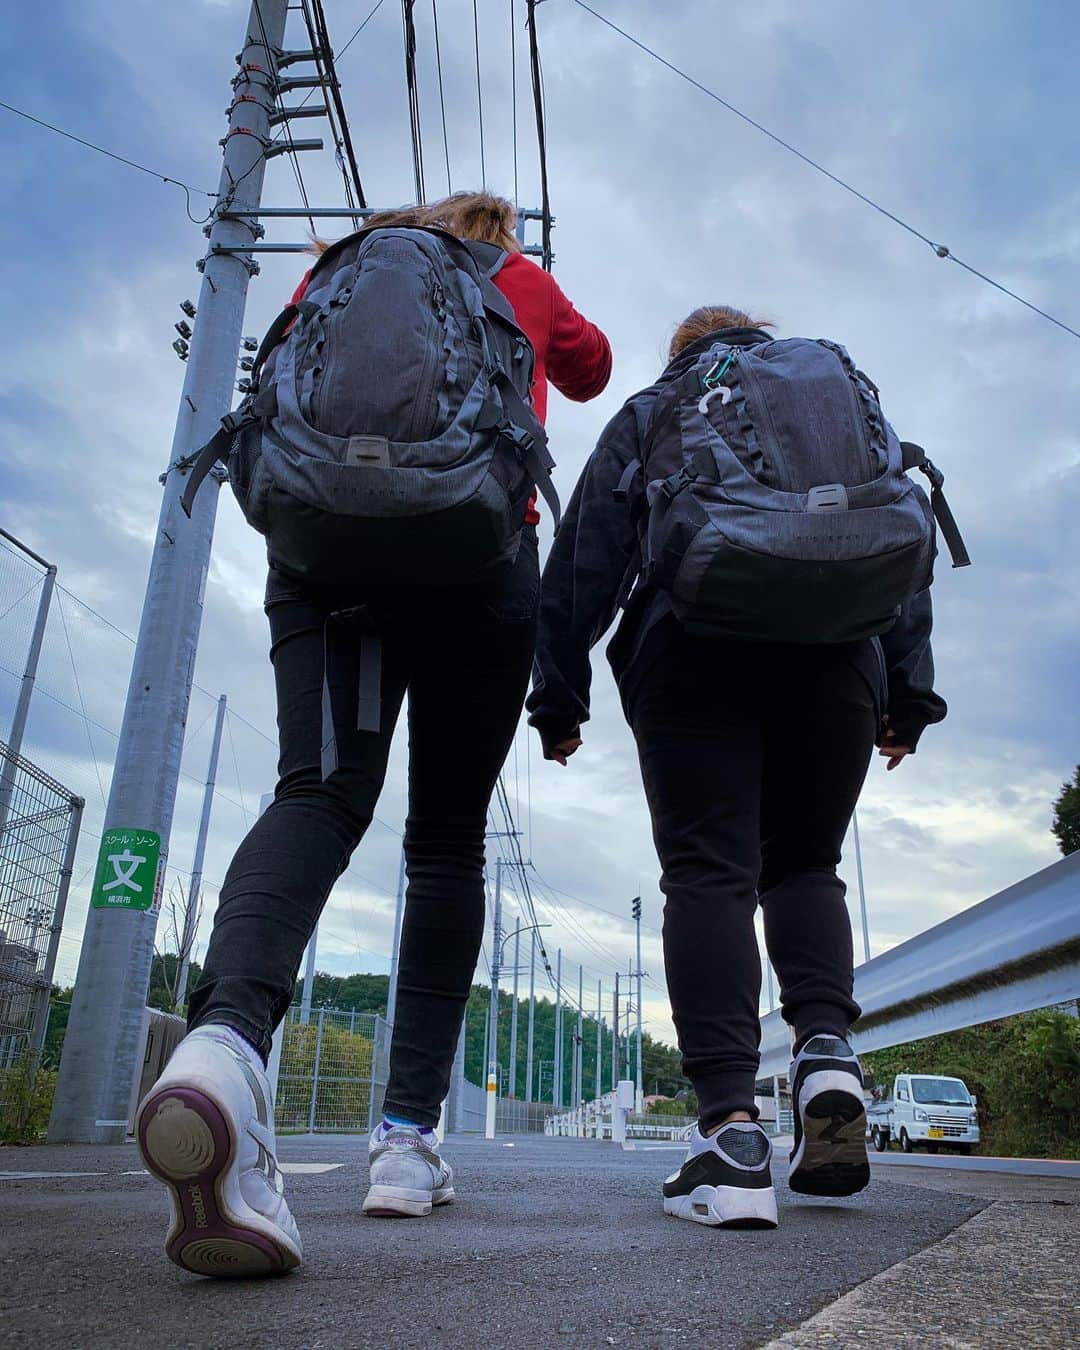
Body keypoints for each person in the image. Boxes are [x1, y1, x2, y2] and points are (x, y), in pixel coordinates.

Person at [136, 192, 611, 1277]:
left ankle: (221, 1050)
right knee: (444, 841)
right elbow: (591, 368)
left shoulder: (335, 274)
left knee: (314, 795)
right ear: (499, 234)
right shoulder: (516, 282)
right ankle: (404, 1142)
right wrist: (533, 297)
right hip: (477, 561)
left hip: (326, 557)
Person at [528, 304, 947, 1230]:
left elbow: (584, 560)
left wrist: (558, 697)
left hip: (693, 647)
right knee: (804, 862)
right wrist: (908, 695)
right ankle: (827, 1048)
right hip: (842, 653)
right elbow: (898, 546)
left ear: (687, 352)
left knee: (710, 870)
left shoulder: (659, 404)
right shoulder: (841, 408)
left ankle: (730, 1136)